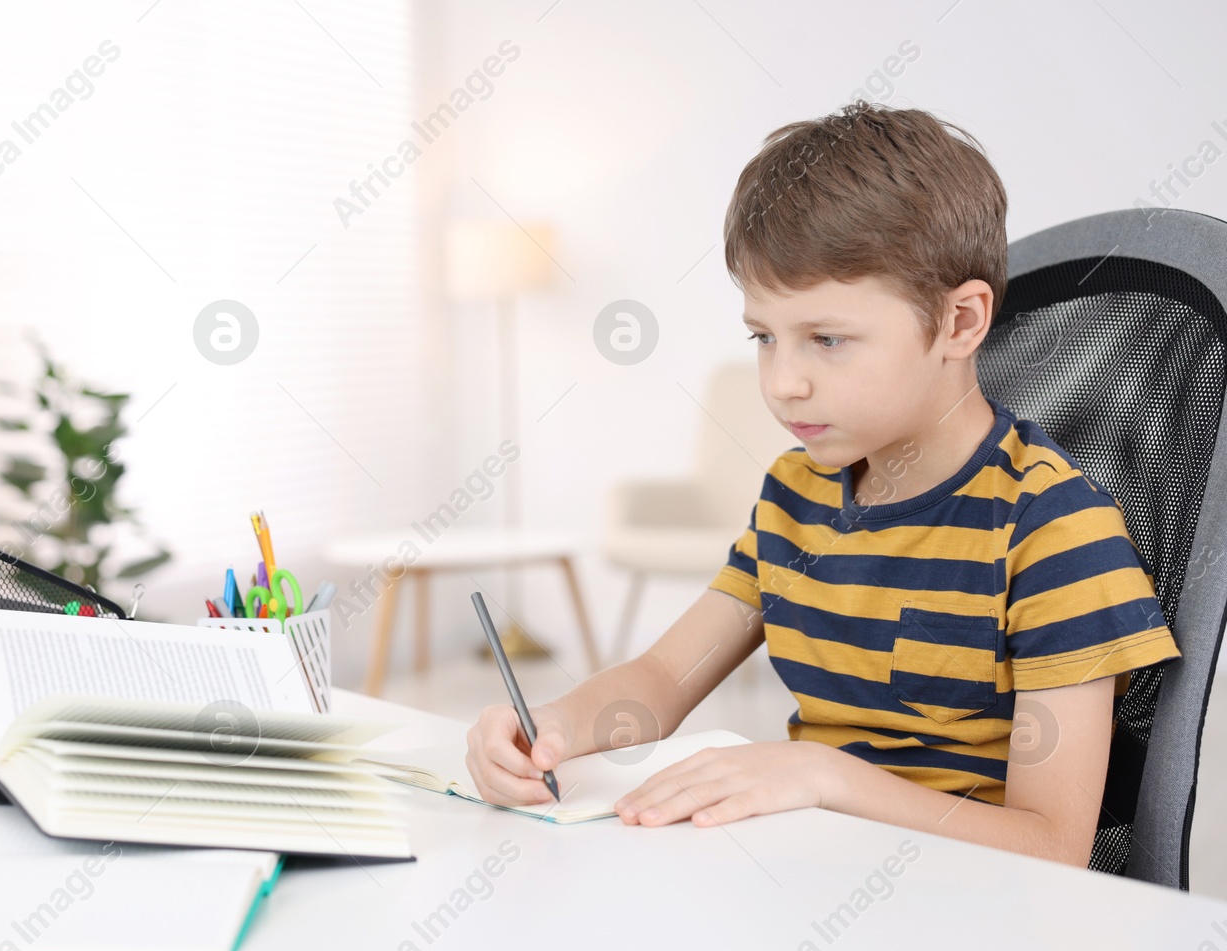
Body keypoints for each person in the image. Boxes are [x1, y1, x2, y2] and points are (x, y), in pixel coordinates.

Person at [464, 101, 1181, 866]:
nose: (783, 382)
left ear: (961, 323)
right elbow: (666, 676)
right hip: (813, 881)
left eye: (827, 339)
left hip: (974, 922)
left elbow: (1054, 847)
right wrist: (555, 726)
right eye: (764, 337)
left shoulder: (1053, 530)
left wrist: (825, 775)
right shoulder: (794, 495)